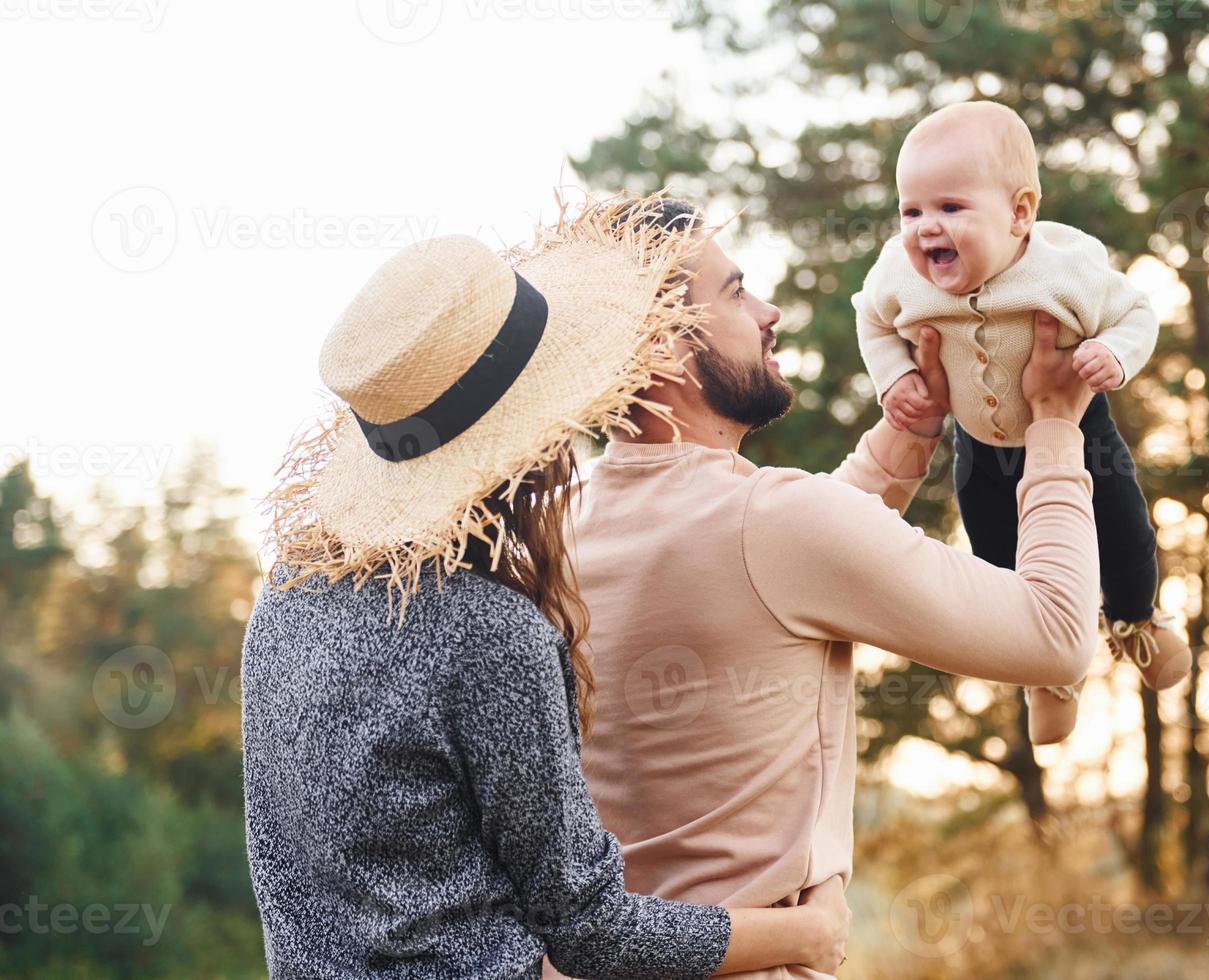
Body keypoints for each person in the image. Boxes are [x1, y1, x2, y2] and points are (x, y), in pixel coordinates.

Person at [240, 199, 848, 979]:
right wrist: (808, 934)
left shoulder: (288, 598)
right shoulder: (488, 632)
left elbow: (299, 883)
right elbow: (589, 930)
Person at [557, 197, 1098, 979]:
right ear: (666, 350)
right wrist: (1054, 424)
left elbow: (775, 573)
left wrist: (908, 433)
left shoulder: (561, 530)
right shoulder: (771, 521)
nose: (768, 311)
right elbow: (1054, 636)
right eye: (735, 293)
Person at [853, 100, 1192, 743]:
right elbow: (870, 321)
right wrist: (894, 376)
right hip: (980, 447)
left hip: (1081, 431)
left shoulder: (1065, 269)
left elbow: (1138, 313)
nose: (926, 228)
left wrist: (1113, 354)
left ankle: (1136, 622)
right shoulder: (899, 276)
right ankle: (1049, 673)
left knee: (1124, 532)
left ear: (1020, 213)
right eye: (911, 210)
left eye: (951, 208)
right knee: (998, 561)